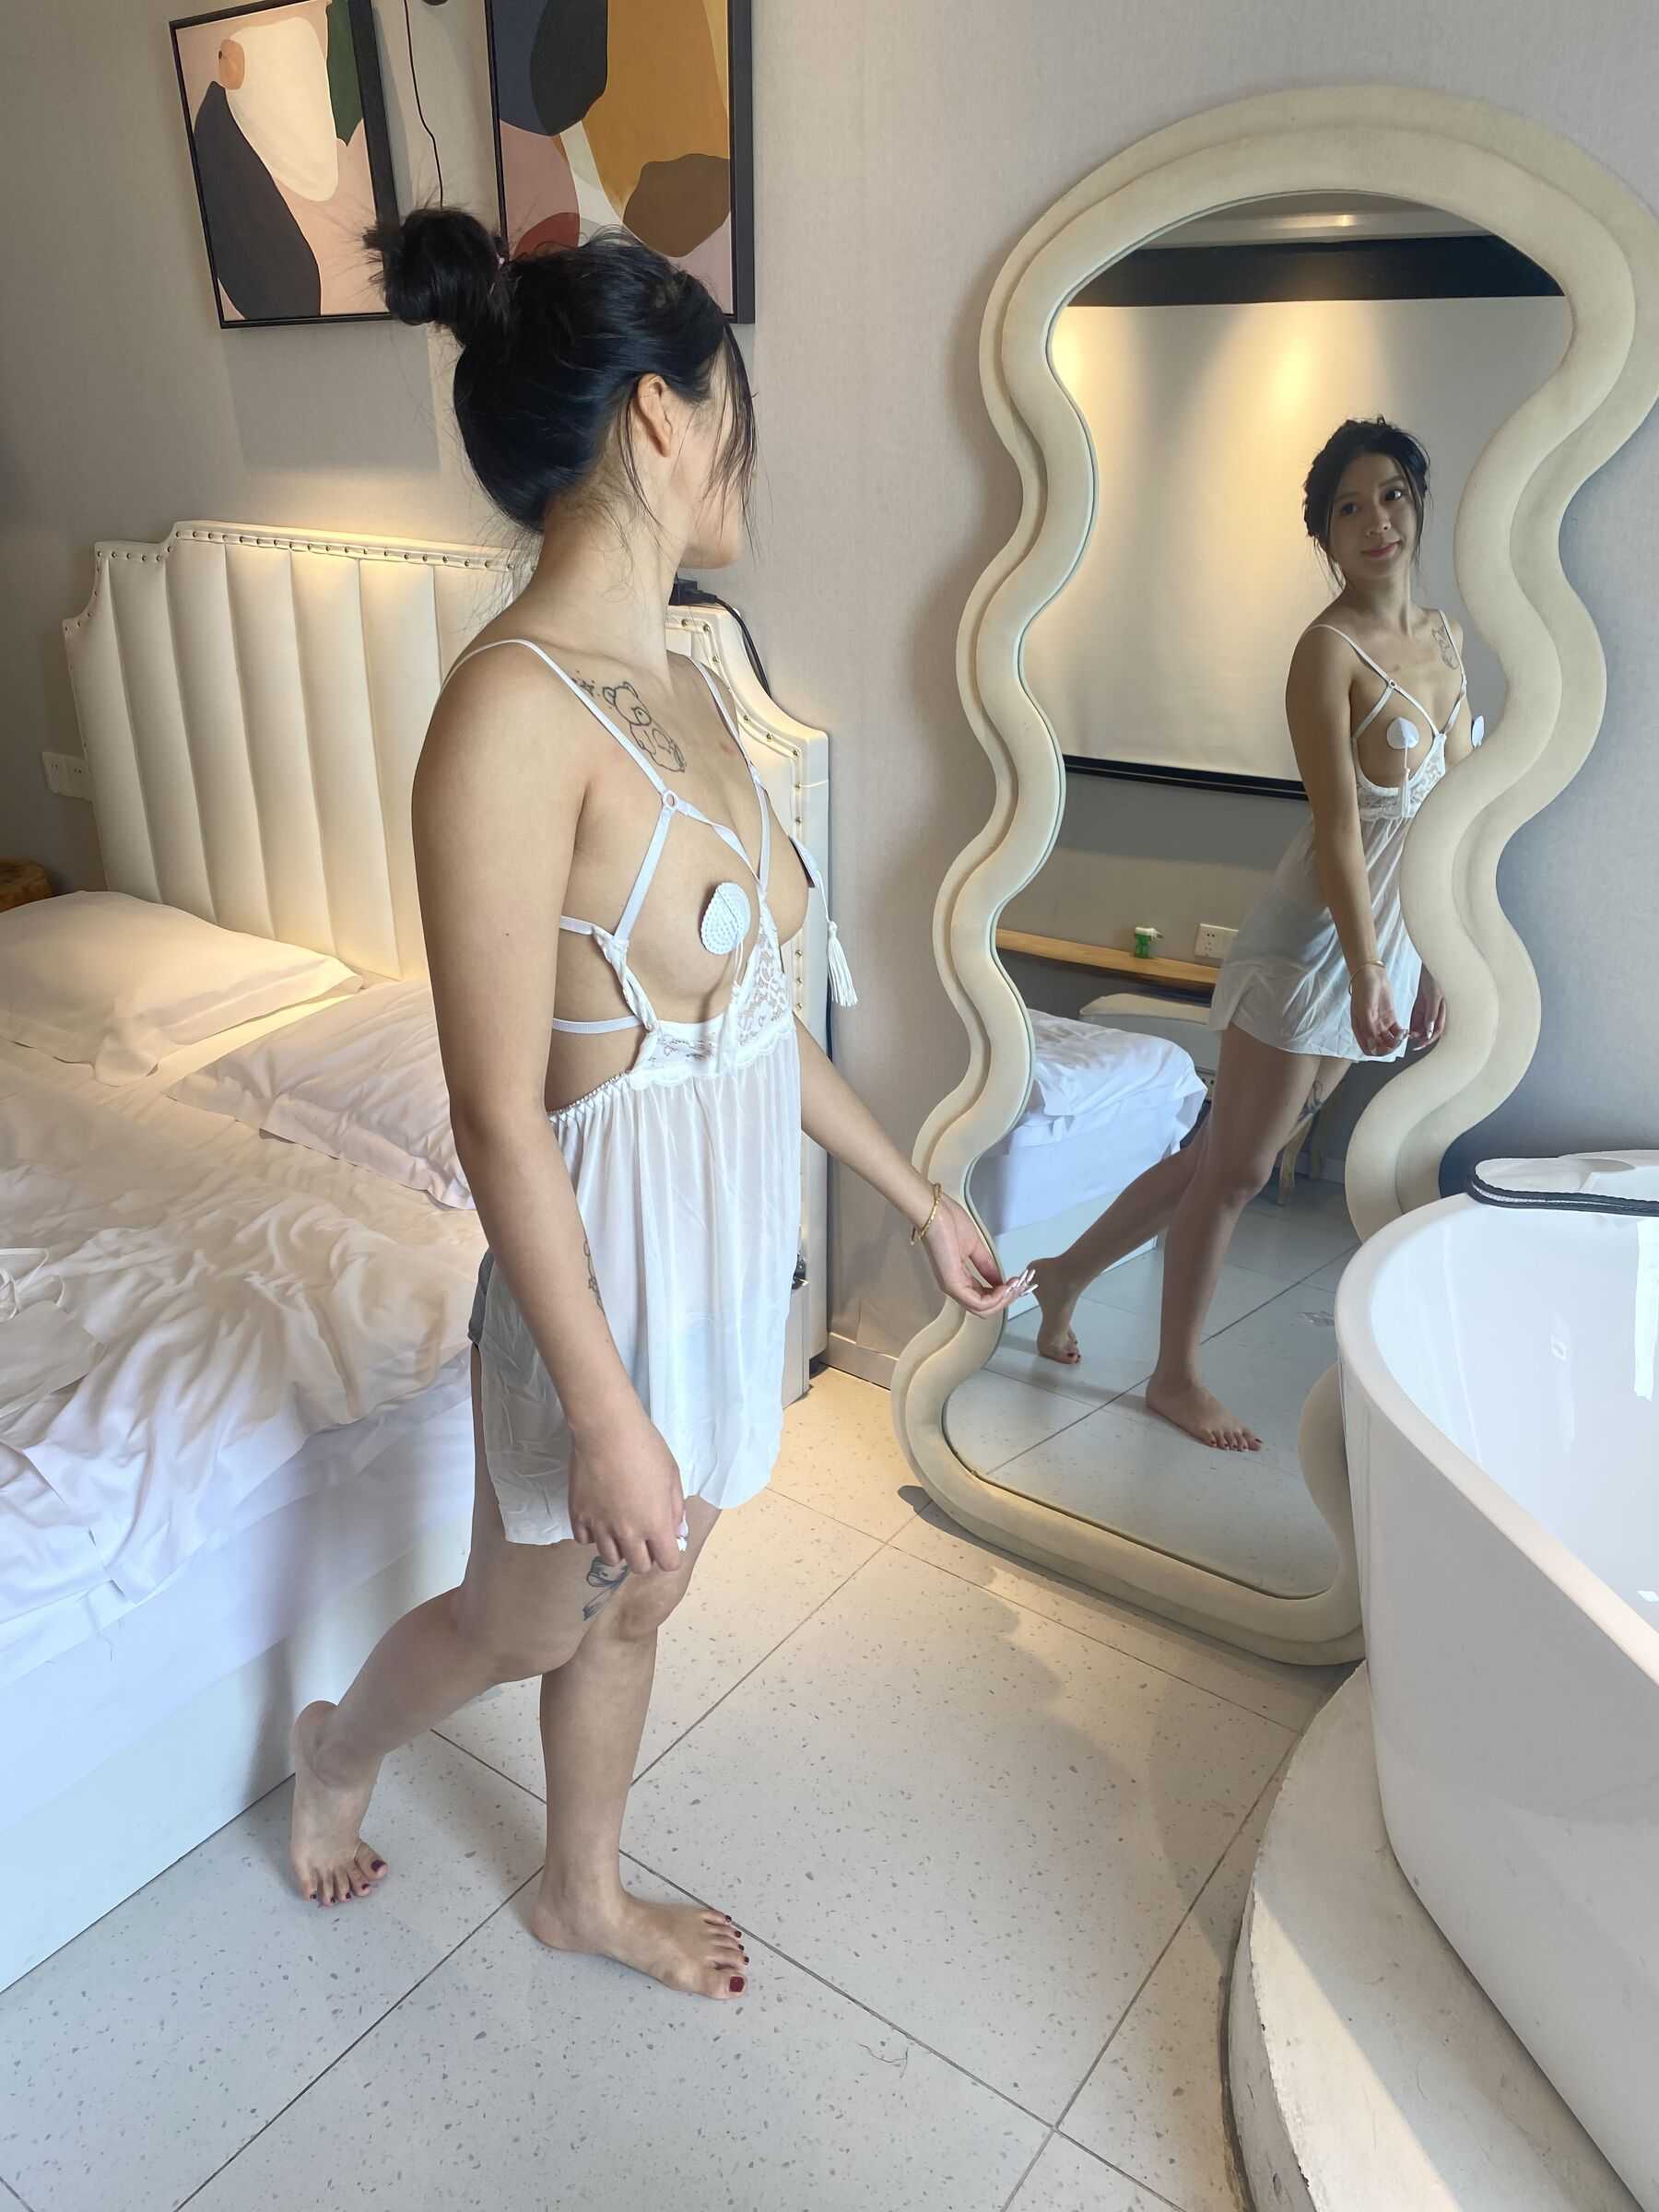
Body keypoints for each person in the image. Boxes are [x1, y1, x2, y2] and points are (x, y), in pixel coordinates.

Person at [287, 213, 1026, 1999]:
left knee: (651, 1593)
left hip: (715, 1260)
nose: (750, 443)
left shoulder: (690, 679)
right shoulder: (509, 713)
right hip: (596, 1290)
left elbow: (751, 1034)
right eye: (733, 402)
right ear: (661, 414)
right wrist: (606, 1412)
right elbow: (494, 1114)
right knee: (526, 1616)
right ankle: (334, 1747)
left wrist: (917, 1197)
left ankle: (581, 1890)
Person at [1032, 418, 1480, 1450]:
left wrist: (1436, 956)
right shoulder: (1325, 652)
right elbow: (1338, 829)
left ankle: (1063, 1276)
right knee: (1236, 1172)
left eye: (1393, 495)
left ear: (1419, 502)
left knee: (1225, 1154)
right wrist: (1367, 970)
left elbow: (1455, 818)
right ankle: (1174, 1377)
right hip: (1314, 945)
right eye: (1350, 508)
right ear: (1325, 536)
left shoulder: (1448, 638)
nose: (1377, 521)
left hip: (1392, 939)